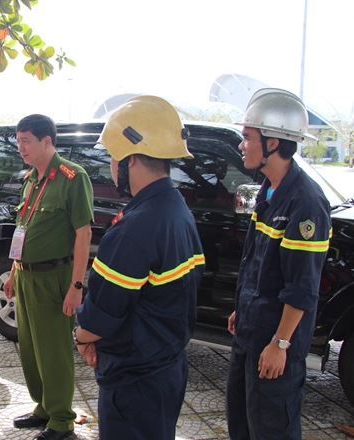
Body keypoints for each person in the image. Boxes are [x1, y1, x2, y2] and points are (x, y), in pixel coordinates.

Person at [73, 96, 205, 439]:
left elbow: (103, 311)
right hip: (166, 368)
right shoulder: (176, 210)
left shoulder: (137, 226)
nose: (111, 165)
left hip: (136, 382)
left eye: (114, 157)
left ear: (130, 159)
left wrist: (82, 338)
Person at [226, 89, 332, 439]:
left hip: (275, 344)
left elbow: (302, 287)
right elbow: (256, 262)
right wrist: (241, 309)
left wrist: (281, 344)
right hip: (250, 334)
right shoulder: (270, 189)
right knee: (242, 424)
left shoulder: (306, 202)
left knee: (271, 430)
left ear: (273, 143)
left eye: (247, 138)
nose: (242, 146)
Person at [3, 114, 93, 440]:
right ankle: (43, 407)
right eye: (18, 141)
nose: (21, 147)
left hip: (54, 277)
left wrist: (76, 285)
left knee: (53, 351)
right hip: (26, 277)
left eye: (26, 140)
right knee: (30, 349)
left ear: (47, 141)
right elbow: (22, 231)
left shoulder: (72, 177)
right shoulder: (31, 180)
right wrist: (14, 272)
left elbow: (83, 234)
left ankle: (61, 420)